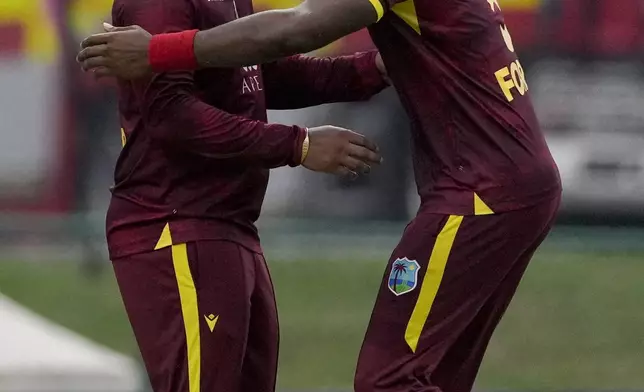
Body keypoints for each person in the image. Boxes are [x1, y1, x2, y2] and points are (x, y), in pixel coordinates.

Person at [78, 0, 563, 391]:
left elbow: (292, 34)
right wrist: (305, 137)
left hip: (479, 191)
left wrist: (163, 51)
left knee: (392, 379)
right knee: (414, 378)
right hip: (179, 225)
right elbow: (173, 116)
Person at [76, 1, 387, 392]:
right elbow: (171, 115)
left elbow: (260, 73)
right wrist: (299, 145)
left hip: (229, 224)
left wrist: (371, 69)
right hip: (176, 223)